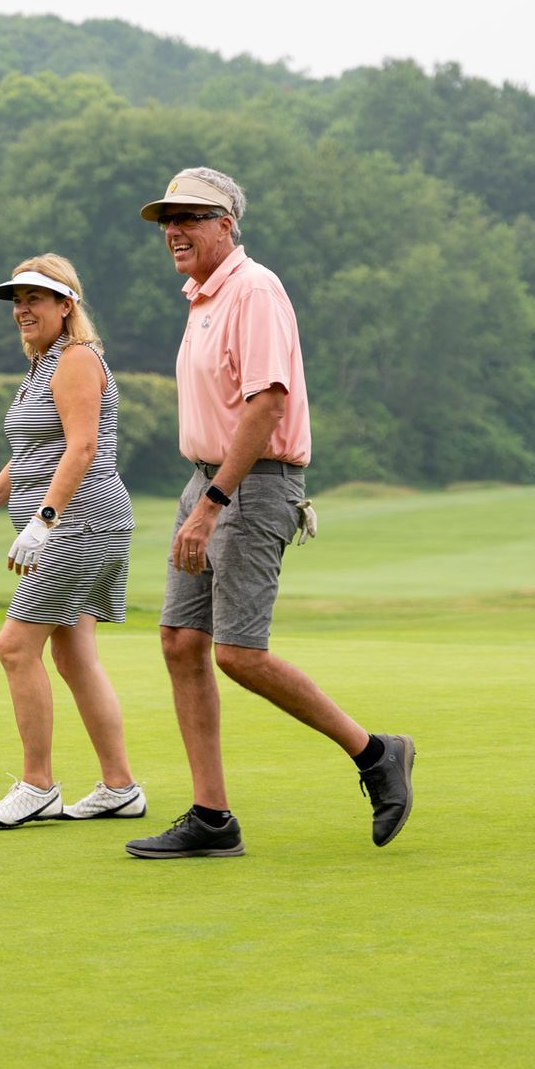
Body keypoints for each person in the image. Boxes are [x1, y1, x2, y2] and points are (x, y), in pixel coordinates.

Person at [123, 167, 414, 859]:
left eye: (191, 218)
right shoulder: (203, 296)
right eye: (168, 219)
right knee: (180, 640)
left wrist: (212, 504)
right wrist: (203, 497)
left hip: (250, 487)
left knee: (238, 653)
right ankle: (211, 817)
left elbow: (268, 404)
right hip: (208, 481)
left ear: (226, 225)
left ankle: (376, 753)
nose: (174, 230)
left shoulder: (254, 290)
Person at [0, 255, 145, 828]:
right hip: (81, 523)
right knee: (74, 656)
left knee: (15, 647)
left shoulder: (76, 358)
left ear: (65, 304)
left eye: (35, 298)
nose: (22, 309)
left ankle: (38, 786)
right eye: (17, 300)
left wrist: (43, 521)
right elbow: (31, 454)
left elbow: (81, 448)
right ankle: (120, 787)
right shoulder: (44, 363)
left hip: (80, 523)